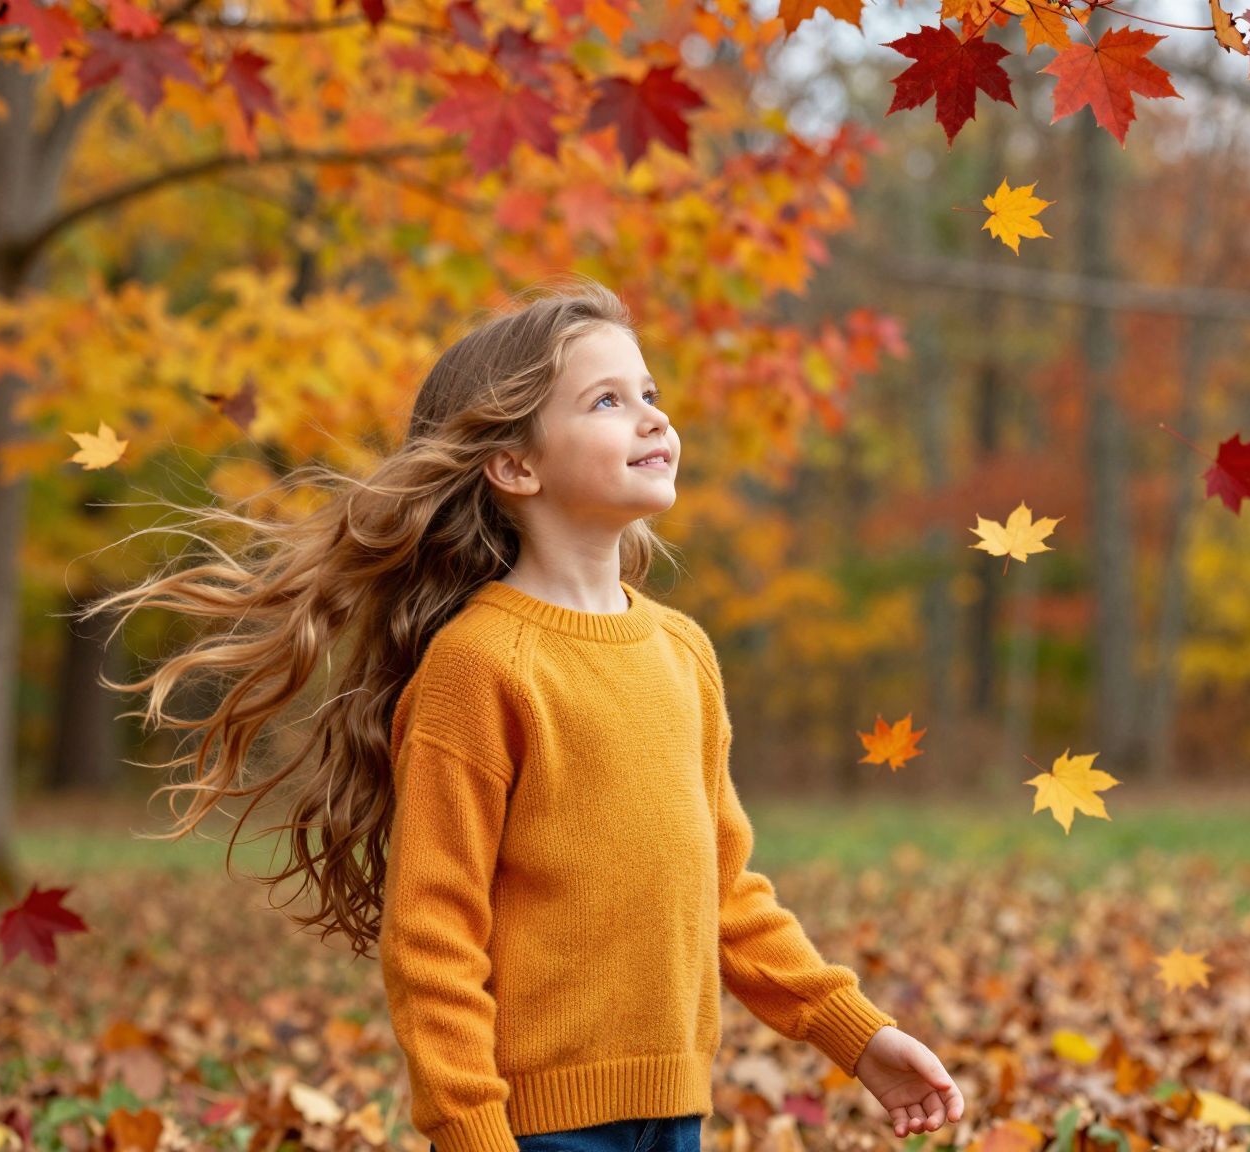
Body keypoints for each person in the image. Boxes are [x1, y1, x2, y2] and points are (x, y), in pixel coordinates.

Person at [90, 275, 964, 1152]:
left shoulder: (682, 652)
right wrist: (473, 1133)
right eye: (609, 400)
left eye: (651, 395)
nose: (654, 418)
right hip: (534, 1128)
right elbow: (433, 935)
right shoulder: (480, 666)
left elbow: (726, 892)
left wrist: (857, 1033)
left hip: (676, 1110)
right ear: (515, 465)